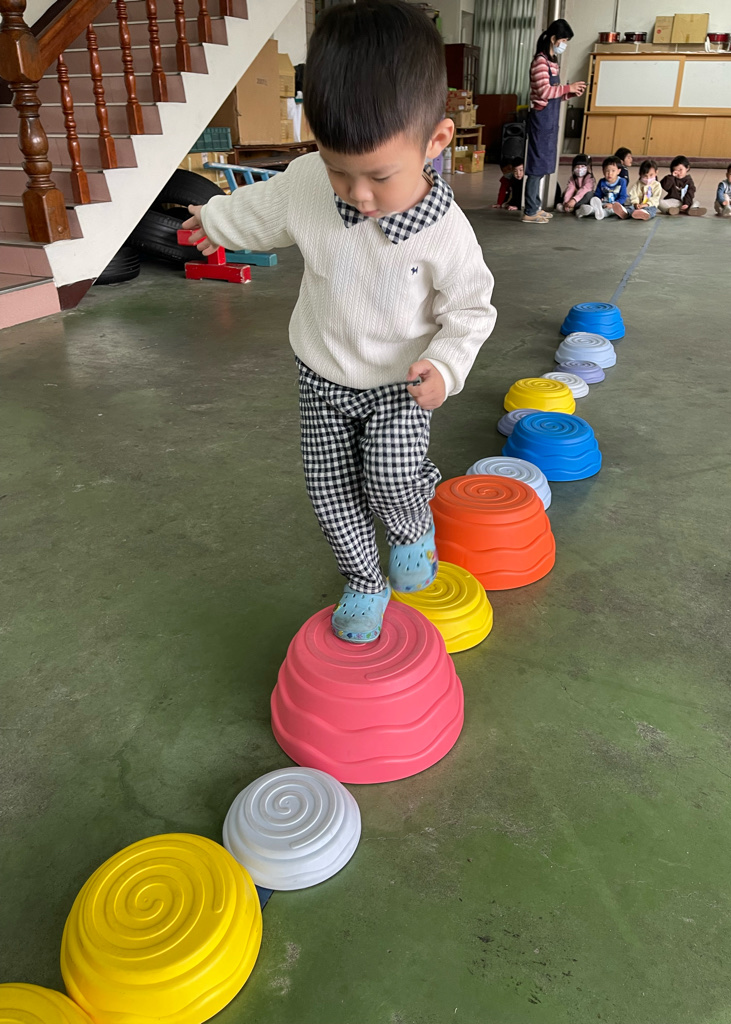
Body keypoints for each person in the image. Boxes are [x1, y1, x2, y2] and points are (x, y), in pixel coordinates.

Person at [182, 0, 496, 644]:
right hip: (321, 375)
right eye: (337, 170)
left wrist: (445, 366)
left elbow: (471, 308)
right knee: (329, 491)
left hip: (400, 382)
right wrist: (215, 221)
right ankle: (363, 581)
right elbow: (265, 207)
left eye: (379, 176)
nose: (358, 194)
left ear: (436, 142)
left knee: (389, 476)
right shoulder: (307, 182)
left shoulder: (446, 233)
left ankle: (410, 527)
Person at [523, 18, 586, 224]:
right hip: (541, 120)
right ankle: (530, 210)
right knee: (536, 166)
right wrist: (567, 88)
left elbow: (554, 93)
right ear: (553, 38)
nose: (564, 44)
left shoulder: (552, 62)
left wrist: (570, 92)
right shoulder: (540, 62)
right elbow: (544, 91)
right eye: (563, 40)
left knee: (543, 166)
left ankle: (536, 207)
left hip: (550, 121)